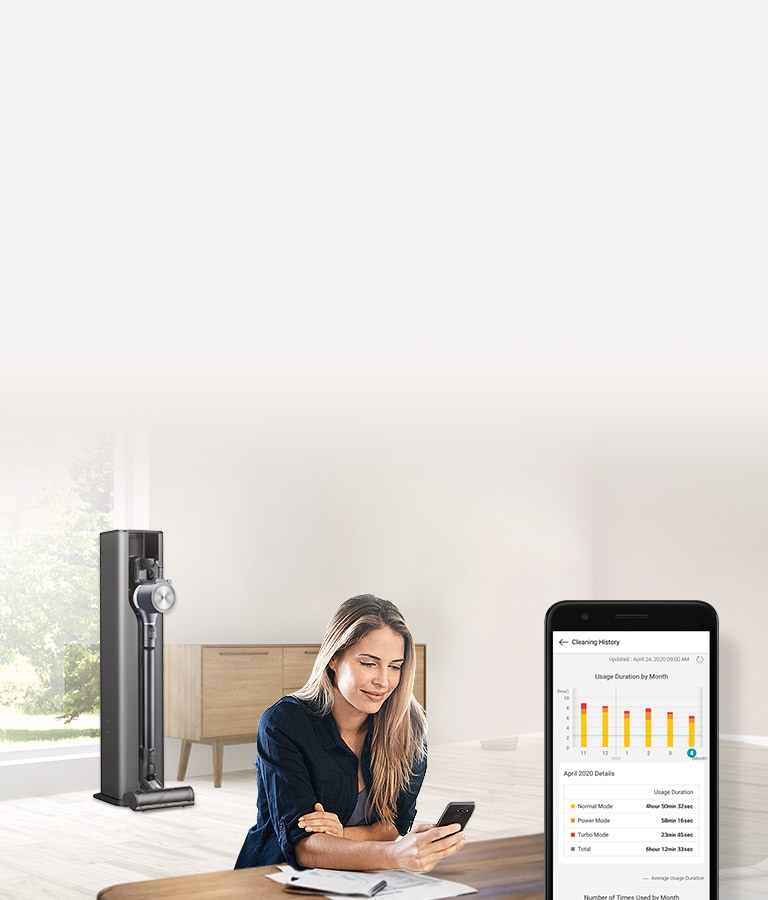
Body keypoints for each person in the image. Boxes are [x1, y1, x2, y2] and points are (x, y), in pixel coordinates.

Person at [234, 594, 465, 872]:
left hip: (362, 878)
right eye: (369, 663)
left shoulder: (409, 729)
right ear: (334, 659)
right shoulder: (284, 723)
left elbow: (394, 826)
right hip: (276, 876)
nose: (383, 680)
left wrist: (340, 834)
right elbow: (303, 847)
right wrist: (392, 853)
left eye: (395, 666)